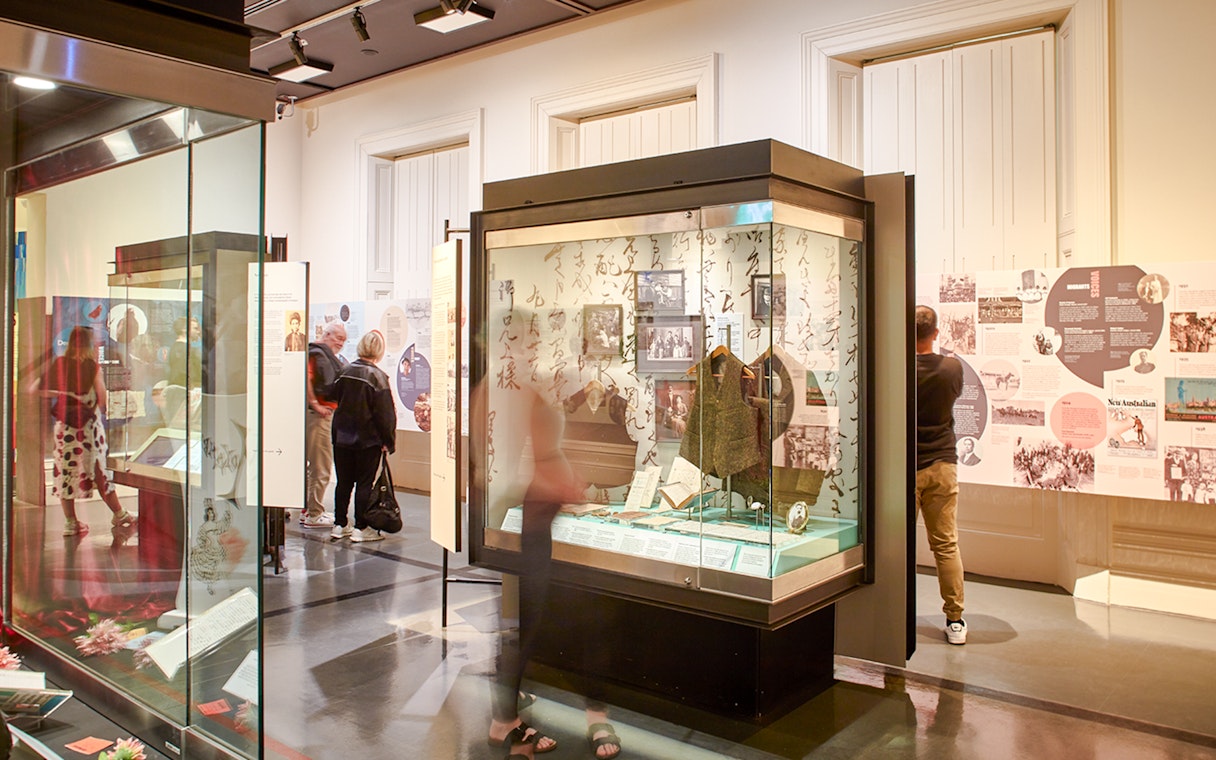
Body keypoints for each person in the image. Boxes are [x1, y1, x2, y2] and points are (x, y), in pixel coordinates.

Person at [473, 312, 621, 760]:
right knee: (541, 625)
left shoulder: (512, 387)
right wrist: (560, 486)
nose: (534, 346)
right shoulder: (501, 391)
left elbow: (538, 454)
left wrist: (565, 479)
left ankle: (531, 713)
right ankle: (507, 723)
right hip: (529, 528)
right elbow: (499, 474)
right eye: (527, 339)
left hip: (536, 526)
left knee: (547, 623)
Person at [37, 326, 136, 537]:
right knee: (99, 470)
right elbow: (102, 399)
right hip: (88, 428)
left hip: (64, 428)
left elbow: (40, 389)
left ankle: (71, 522)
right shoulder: (92, 366)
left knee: (66, 470)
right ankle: (119, 513)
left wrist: (65, 394)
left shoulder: (60, 363)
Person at [915, 305, 967, 645]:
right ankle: (955, 620)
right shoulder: (951, 368)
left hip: (904, 466)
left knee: (896, 545)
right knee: (945, 545)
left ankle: (894, 611)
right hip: (942, 465)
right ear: (936, 333)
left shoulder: (899, 369)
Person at [329, 330, 396, 542]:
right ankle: (361, 527)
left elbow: (333, 397)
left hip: (341, 437)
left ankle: (339, 524)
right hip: (367, 440)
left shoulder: (344, 371)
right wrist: (389, 441)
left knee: (343, 482)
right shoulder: (378, 377)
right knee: (364, 483)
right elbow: (385, 414)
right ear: (379, 350)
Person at [302, 321, 347, 528]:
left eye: (344, 340)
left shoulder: (319, 354)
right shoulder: (316, 354)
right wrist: (314, 404)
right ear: (327, 334)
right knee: (321, 466)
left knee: (317, 465)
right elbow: (307, 380)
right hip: (319, 415)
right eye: (338, 338)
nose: (341, 343)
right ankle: (314, 513)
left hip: (323, 412)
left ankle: (311, 508)